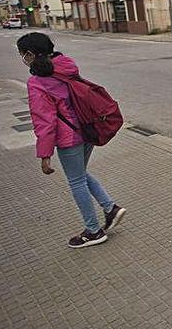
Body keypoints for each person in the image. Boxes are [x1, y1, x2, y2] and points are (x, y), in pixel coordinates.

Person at [17, 32, 126, 248]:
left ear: (30, 54)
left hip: (69, 138)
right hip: (88, 130)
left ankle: (93, 231)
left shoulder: (38, 82)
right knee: (81, 174)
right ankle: (110, 208)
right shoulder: (65, 66)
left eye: (22, 54)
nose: (22, 58)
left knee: (76, 181)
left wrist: (44, 154)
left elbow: (45, 121)